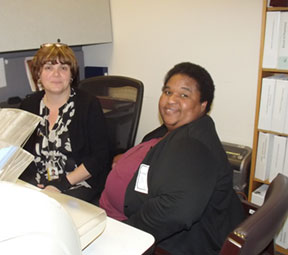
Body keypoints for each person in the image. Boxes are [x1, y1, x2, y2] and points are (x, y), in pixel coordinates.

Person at [99, 62, 244, 254]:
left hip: (169, 243)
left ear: (203, 105)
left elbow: (174, 213)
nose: (171, 100)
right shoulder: (178, 129)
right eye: (167, 92)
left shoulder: (193, 147)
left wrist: (125, 234)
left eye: (184, 95)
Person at [19, 43, 110, 202]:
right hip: (39, 185)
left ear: (71, 74)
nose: (56, 74)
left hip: (76, 184)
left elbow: (99, 157)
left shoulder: (88, 104)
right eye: (48, 68)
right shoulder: (29, 105)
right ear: (38, 73)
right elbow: (22, 152)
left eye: (63, 68)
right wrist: (35, 183)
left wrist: (59, 185)